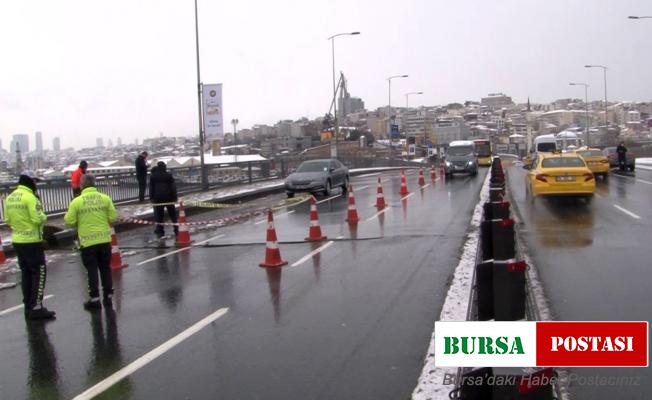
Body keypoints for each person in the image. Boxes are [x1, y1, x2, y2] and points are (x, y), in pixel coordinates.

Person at [3, 172, 55, 320]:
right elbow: (37, 218)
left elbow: (7, 219)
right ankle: (37, 307)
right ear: (30, 182)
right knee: (39, 273)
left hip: (18, 241)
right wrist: (44, 216)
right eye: (35, 182)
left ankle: (28, 304)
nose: (36, 185)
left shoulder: (11, 197)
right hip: (32, 241)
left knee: (26, 273)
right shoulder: (31, 197)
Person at [64, 174, 117, 310]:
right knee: (105, 268)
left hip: (87, 242)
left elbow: (69, 221)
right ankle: (109, 293)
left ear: (81, 185)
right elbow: (113, 217)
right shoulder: (105, 198)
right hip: (104, 239)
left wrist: (79, 221)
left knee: (91, 270)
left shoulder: (76, 202)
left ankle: (94, 298)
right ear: (94, 184)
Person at [149, 161, 178, 238]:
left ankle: (160, 231)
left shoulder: (153, 176)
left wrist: (151, 197)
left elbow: (151, 188)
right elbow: (173, 187)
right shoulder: (168, 175)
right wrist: (175, 197)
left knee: (159, 216)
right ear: (164, 167)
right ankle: (176, 229)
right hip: (169, 198)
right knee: (172, 215)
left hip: (157, 198)